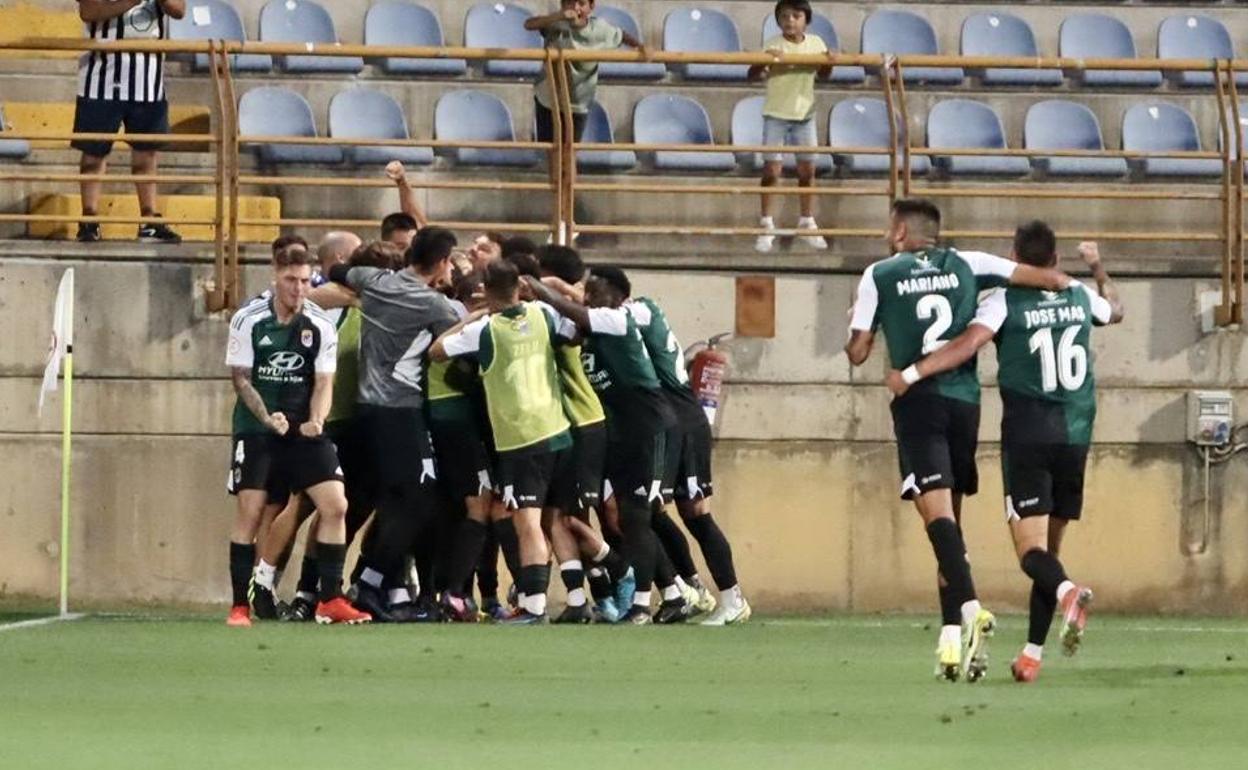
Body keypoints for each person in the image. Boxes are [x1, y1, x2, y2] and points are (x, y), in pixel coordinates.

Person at [845, 198, 1071, 682]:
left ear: (902, 232)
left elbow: (858, 352)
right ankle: (950, 642)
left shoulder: (879, 274)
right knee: (952, 528)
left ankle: (969, 612)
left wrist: (867, 322)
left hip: (918, 403)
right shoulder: (972, 264)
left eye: (891, 229)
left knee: (939, 521)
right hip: (966, 403)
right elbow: (1046, 279)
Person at [885, 228, 1124, 683]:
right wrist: (1095, 265)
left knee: (1031, 552)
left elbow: (967, 344)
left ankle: (1069, 592)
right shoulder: (1076, 291)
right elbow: (1115, 310)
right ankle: (1031, 654)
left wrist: (913, 372)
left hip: (1030, 433)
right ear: (1054, 257)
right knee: (1050, 550)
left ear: (1016, 258)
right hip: (1077, 434)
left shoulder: (1001, 300)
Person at [526, 266, 690, 624]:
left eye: (595, 293)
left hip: (653, 427)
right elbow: (566, 329)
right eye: (587, 294)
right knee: (630, 519)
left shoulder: (617, 320)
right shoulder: (591, 328)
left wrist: (537, 285)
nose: (588, 300)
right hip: (625, 432)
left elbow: (574, 313)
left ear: (616, 298)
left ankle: (643, 605)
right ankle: (674, 593)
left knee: (639, 515)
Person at [223, 246, 369, 627]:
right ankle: (241, 605)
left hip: (302, 428)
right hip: (257, 427)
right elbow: (241, 378)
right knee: (252, 511)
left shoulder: (320, 323)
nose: (299, 289)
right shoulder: (249, 318)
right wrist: (266, 417)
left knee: (335, 504)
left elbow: (324, 381)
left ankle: (330, 599)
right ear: (275, 276)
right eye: (291, 280)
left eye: (305, 281)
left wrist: (317, 419)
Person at [432, 260, 579, 624]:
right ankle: (573, 598)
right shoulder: (542, 312)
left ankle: (533, 608)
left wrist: (472, 315)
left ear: (485, 289)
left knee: (526, 522)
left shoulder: (486, 329)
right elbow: (575, 332)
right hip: (558, 430)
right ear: (519, 286)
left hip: (520, 439)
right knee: (551, 520)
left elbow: (436, 351)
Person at [325, 227, 461, 621]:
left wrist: (351, 289)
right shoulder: (434, 305)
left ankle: (372, 584)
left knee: (393, 501)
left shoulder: (374, 281)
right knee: (421, 500)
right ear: (441, 263)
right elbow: (456, 342)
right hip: (401, 411)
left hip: (367, 410)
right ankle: (369, 583)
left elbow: (338, 271)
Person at [628, 289, 752, 626]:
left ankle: (733, 598)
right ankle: (692, 588)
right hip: (668, 422)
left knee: (696, 513)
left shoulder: (637, 312)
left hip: (683, 420)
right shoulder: (638, 314)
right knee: (652, 509)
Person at [74, 0, 186, 244]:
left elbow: (179, 10)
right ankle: (89, 219)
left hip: (147, 80)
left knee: (146, 153)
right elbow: (89, 12)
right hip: (100, 77)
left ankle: (149, 220)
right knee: (94, 152)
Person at [747, 0, 832, 254]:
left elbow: (825, 75)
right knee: (772, 170)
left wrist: (829, 62)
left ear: (806, 19)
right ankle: (766, 225)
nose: (790, 21)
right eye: (784, 16)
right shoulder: (773, 44)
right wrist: (765, 62)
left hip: (805, 115)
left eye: (795, 16)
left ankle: (807, 221)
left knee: (807, 171)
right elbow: (752, 74)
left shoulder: (816, 43)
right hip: (776, 114)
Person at [526, 0, 648, 144]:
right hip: (548, 98)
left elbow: (621, 35)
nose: (576, 8)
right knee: (551, 149)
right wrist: (557, 16)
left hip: (579, 101)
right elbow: (529, 24)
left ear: (591, 7)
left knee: (570, 150)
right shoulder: (556, 25)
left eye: (581, 3)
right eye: (570, 3)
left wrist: (641, 46)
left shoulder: (599, 29)